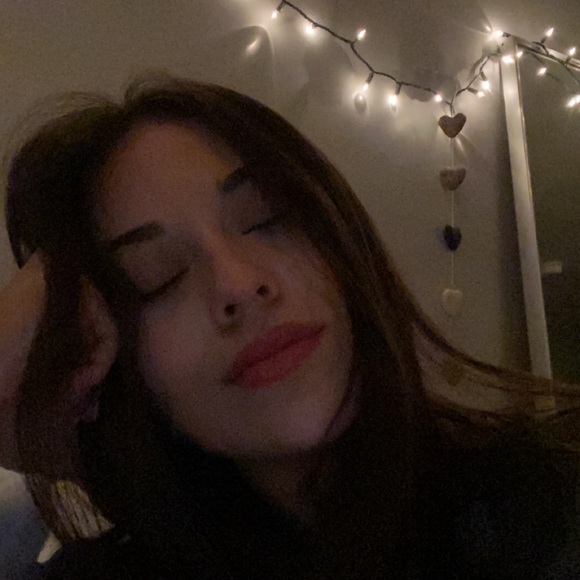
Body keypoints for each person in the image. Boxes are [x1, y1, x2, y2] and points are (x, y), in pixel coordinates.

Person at [1, 74, 580, 579]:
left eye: (266, 217)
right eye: (158, 276)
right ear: (124, 368)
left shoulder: (548, 507)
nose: (236, 284)